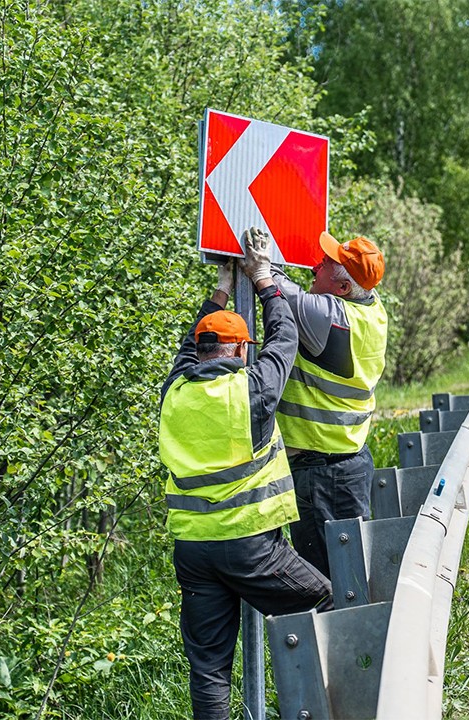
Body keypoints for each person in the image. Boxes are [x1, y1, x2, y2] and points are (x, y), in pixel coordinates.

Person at [158, 229, 332, 720]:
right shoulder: (251, 393)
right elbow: (285, 338)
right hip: (251, 547)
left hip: (193, 551)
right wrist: (263, 279)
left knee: (210, 667)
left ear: (200, 350)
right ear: (238, 352)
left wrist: (221, 286)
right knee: (320, 600)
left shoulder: (174, 392)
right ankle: (308, 707)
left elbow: (186, 347)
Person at [248, 226, 388, 578]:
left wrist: (263, 260)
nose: (315, 266)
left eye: (325, 263)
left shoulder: (327, 317)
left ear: (342, 289)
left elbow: (272, 281)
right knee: (348, 577)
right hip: (346, 465)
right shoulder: (372, 310)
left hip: (324, 475)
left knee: (328, 585)